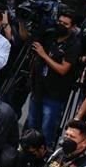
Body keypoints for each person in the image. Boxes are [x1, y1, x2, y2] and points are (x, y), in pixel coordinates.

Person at [26, 8, 82, 147]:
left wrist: (44, 55)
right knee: (32, 125)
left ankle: (44, 156)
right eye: (60, 21)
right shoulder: (49, 35)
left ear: (73, 27)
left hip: (54, 94)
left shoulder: (74, 44)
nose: (61, 25)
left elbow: (63, 69)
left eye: (66, 24)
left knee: (47, 130)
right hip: (38, 88)